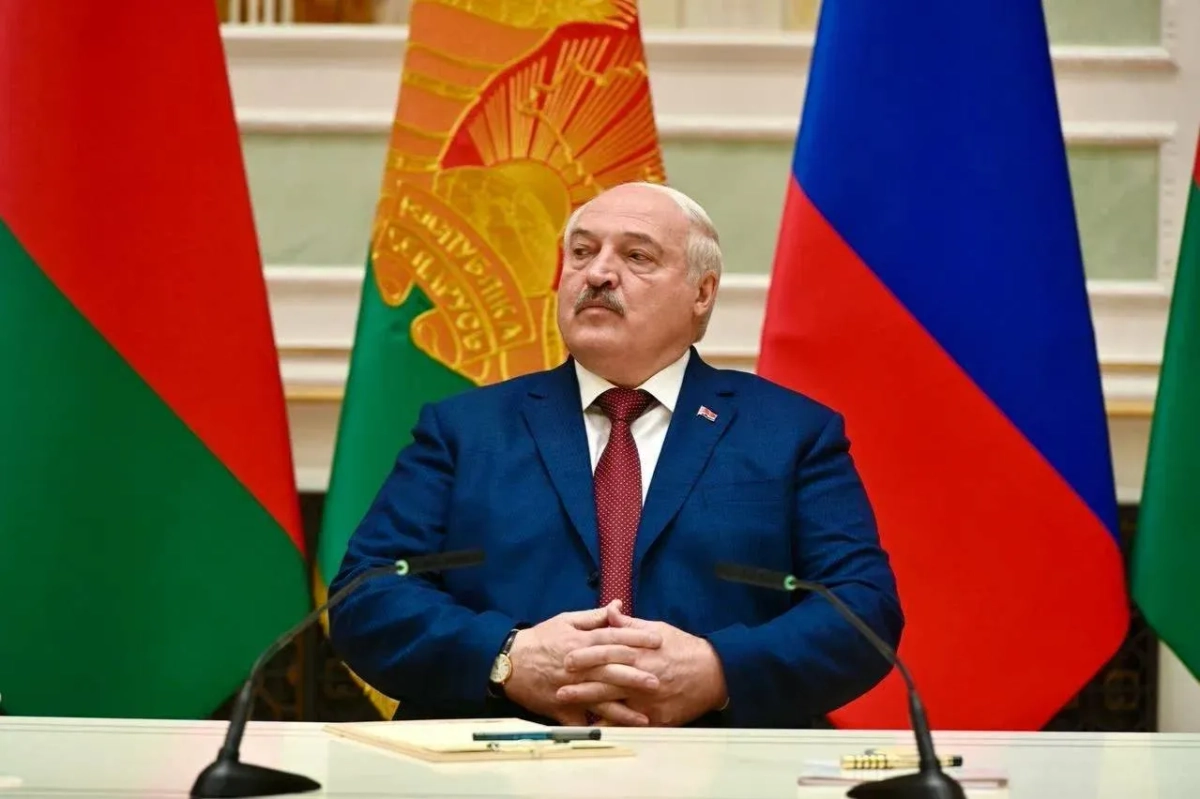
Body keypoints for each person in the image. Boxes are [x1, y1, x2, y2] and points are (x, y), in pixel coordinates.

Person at [328, 182, 902, 728]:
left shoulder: (791, 433)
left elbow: (861, 609)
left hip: (714, 761)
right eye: (581, 253)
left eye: (637, 256)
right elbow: (366, 594)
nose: (598, 273)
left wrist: (717, 671)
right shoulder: (463, 430)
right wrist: (506, 658)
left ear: (702, 293)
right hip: (494, 762)